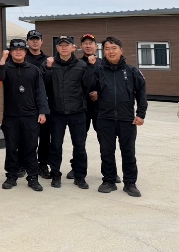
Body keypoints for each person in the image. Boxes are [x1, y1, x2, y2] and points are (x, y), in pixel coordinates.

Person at [90, 37, 147, 197]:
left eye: (114, 48)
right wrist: (91, 70)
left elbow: (141, 93)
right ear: (103, 52)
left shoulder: (132, 71)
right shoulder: (99, 70)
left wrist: (141, 114)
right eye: (107, 49)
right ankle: (109, 180)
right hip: (105, 118)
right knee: (106, 152)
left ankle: (130, 183)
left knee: (128, 152)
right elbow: (88, 86)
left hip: (126, 119)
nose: (111, 51)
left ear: (121, 50)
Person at [67, 34, 122, 182]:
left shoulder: (104, 63)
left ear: (96, 47)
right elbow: (74, 85)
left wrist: (99, 93)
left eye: (91, 43)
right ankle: (76, 167)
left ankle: (111, 172)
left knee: (106, 142)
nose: (88, 46)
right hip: (82, 109)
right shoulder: (77, 63)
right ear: (81, 47)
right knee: (79, 141)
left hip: (101, 109)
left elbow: (110, 84)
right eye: (85, 43)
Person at [41, 36, 94, 190]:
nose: (64, 48)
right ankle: (55, 175)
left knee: (79, 146)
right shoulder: (50, 64)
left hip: (77, 112)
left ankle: (80, 177)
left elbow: (88, 85)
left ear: (73, 47)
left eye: (67, 45)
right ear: (57, 48)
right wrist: (48, 69)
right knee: (56, 145)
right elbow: (43, 85)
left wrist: (91, 68)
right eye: (61, 45)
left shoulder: (82, 65)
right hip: (57, 112)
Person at [0, 39, 49, 192]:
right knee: (11, 148)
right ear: (10, 52)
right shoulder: (6, 67)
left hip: (30, 115)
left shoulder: (34, 70)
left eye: (21, 49)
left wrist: (43, 111)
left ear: (26, 52)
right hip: (11, 116)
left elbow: (40, 91)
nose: (18, 52)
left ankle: (33, 177)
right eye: (14, 49)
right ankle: (11, 176)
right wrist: (3, 59)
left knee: (31, 147)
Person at [24, 29, 50, 179]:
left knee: (45, 138)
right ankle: (25, 164)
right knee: (26, 137)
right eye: (32, 39)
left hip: (44, 103)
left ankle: (43, 165)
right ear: (27, 41)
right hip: (25, 103)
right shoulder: (21, 58)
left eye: (37, 39)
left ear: (41, 41)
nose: (35, 41)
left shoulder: (48, 60)